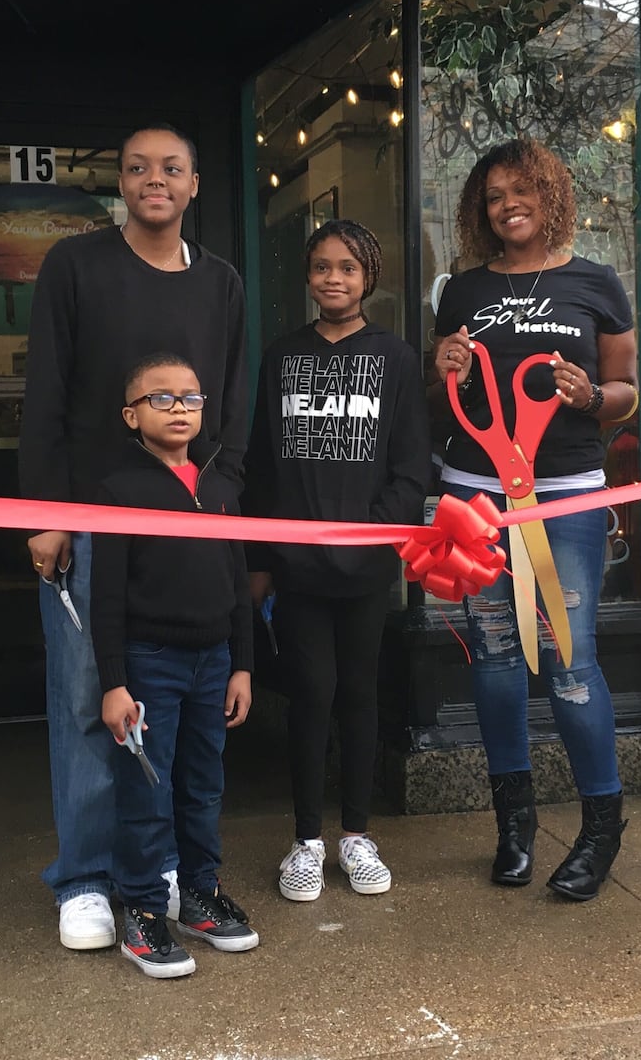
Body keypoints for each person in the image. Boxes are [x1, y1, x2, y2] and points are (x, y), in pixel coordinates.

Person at [20, 124, 248, 950]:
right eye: (139, 168)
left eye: (173, 168)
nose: (156, 180)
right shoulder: (75, 265)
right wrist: (45, 512)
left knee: (176, 715)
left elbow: (230, 399)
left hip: (190, 523)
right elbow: (44, 393)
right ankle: (83, 878)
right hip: (89, 524)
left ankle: (160, 878)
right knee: (89, 698)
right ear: (121, 182)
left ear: (194, 186)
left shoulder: (222, 282)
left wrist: (224, 501)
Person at [432, 138, 639, 902]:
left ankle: (599, 828)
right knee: (492, 658)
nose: (507, 204)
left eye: (522, 189)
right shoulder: (462, 290)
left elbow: (627, 392)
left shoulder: (596, 283)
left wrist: (590, 397)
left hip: (566, 494)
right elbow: (442, 393)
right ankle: (514, 825)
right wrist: (445, 367)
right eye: (493, 195)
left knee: (570, 660)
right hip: (475, 491)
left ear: (552, 194)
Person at [242, 219, 429, 902]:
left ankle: (355, 834)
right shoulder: (282, 357)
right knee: (309, 696)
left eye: (347, 267)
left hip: (366, 566)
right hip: (295, 568)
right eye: (321, 266)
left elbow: (410, 469)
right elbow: (262, 465)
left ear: (368, 276)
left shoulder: (397, 359)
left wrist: (371, 535)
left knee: (358, 695)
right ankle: (305, 841)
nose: (333, 279)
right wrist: (263, 553)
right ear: (308, 276)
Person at [91, 352, 256, 978]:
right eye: (160, 398)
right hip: (148, 664)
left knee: (203, 784)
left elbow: (238, 583)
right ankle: (141, 907)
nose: (179, 407)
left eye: (190, 397)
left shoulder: (220, 487)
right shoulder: (118, 490)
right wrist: (115, 683)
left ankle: (201, 895)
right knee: (147, 789)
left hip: (214, 662)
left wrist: (241, 665)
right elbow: (106, 598)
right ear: (131, 414)